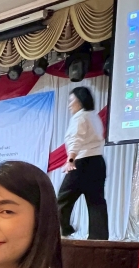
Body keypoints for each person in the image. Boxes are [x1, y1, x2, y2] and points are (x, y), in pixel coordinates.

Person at [57, 86, 109, 240]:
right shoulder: (94, 116)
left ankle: (61, 230)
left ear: (79, 102)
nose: (69, 105)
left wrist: (70, 160)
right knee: (96, 201)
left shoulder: (80, 117)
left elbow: (76, 139)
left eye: (71, 101)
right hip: (97, 162)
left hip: (82, 162)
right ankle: (99, 238)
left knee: (63, 198)